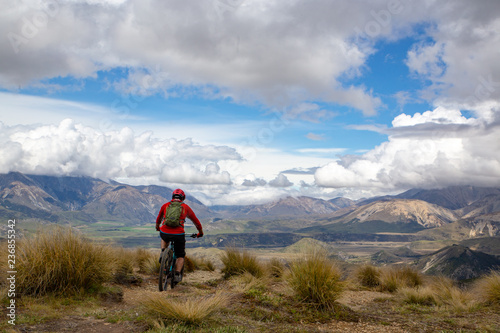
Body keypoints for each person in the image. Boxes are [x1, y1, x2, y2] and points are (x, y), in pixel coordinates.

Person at [155, 188, 204, 283]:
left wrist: (158, 227)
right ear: (182, 198)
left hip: (165, 232)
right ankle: (177, 273)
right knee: (180, 255)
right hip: (178, 234)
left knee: (164, 237)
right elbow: (196, 222)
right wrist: (200, 233)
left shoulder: (165, 206)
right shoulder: (186, 208)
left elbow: (159, 218)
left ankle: (163, 252)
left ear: (173, 196)